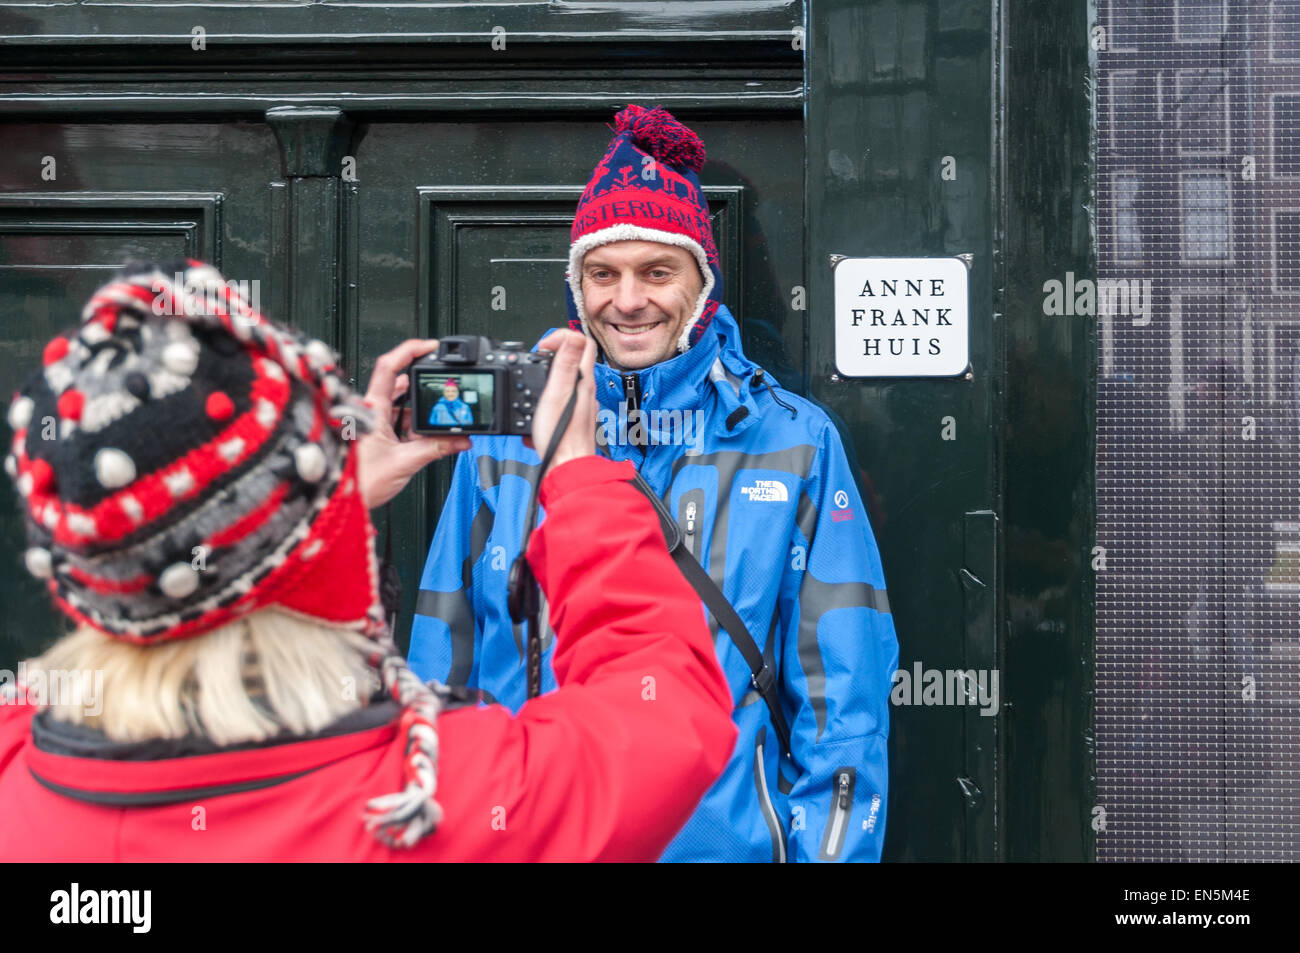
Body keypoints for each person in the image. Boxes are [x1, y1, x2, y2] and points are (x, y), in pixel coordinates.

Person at [0, 259, 736, 862]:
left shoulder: (18, 758)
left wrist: (322, 494)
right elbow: (663, 699)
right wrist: (578, 473)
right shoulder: (428, 804)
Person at [408, 104, 900, 862]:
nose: (627, 299)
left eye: (656, 271)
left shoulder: (794, 440)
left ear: (701, 284)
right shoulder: (503, 448)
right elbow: (444, 674)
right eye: (603, 273)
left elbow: (845, 707)